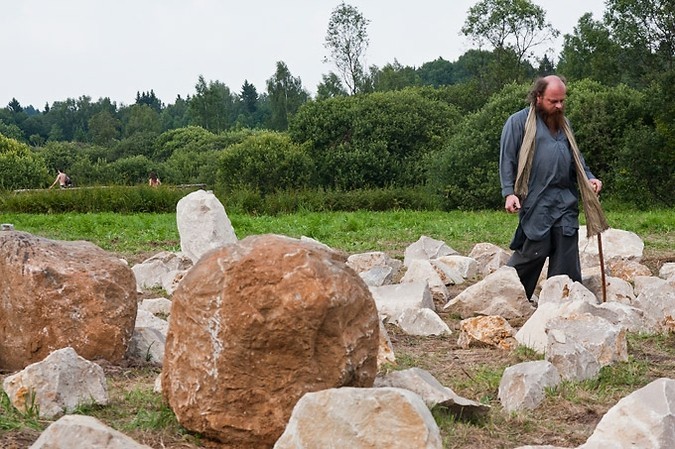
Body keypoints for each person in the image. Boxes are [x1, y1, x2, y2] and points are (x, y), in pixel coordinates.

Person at [499, 75, 603, 300]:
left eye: (562, 101)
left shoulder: (564, 124)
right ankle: (507, 297)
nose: (559, 106)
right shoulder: (518, 123)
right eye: (553, 101)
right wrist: (509, 193)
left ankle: (562, 305)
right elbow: (507, 160)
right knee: (533, 252)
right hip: (537, 201)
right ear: (538, 97)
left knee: (566, 256)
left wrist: (589, 178)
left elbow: (577, 159)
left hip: (565, 201)